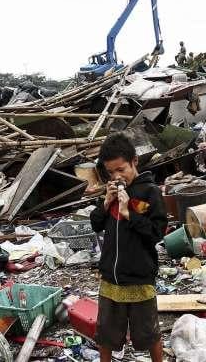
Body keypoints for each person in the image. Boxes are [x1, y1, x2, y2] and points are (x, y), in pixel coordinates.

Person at [90, 133, 167, 362]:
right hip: (110, 278)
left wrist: (128, 214)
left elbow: (156, 233)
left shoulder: (149, 192)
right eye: (111, 172)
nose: (116, 176)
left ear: (134, 161)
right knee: (106, 334)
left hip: (139, 277)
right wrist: (105, 203)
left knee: (148, 333)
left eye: (121, 169)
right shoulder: (112, 192)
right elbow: (96, 223)